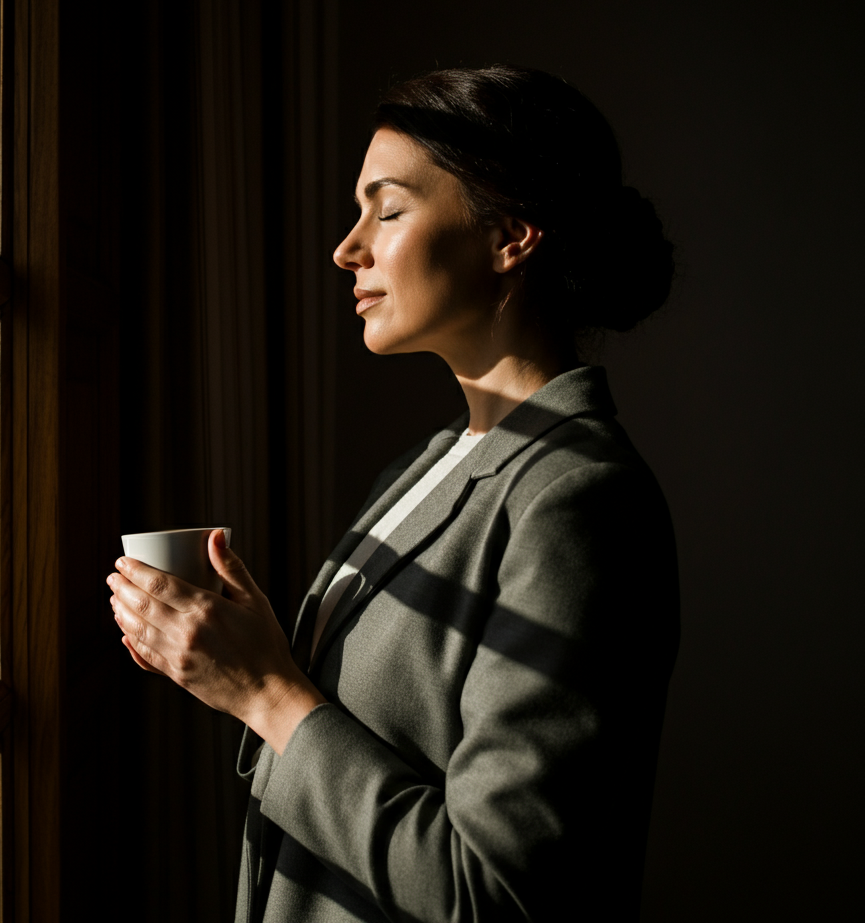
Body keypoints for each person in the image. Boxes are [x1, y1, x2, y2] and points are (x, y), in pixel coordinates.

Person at [108, 65, 679, 922]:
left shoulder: (578, 500)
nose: (349, 247)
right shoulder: (439, 460)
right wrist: (229, 648)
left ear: (509, 236)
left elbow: (497, 896)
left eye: (389, 208)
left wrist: (264, 690)